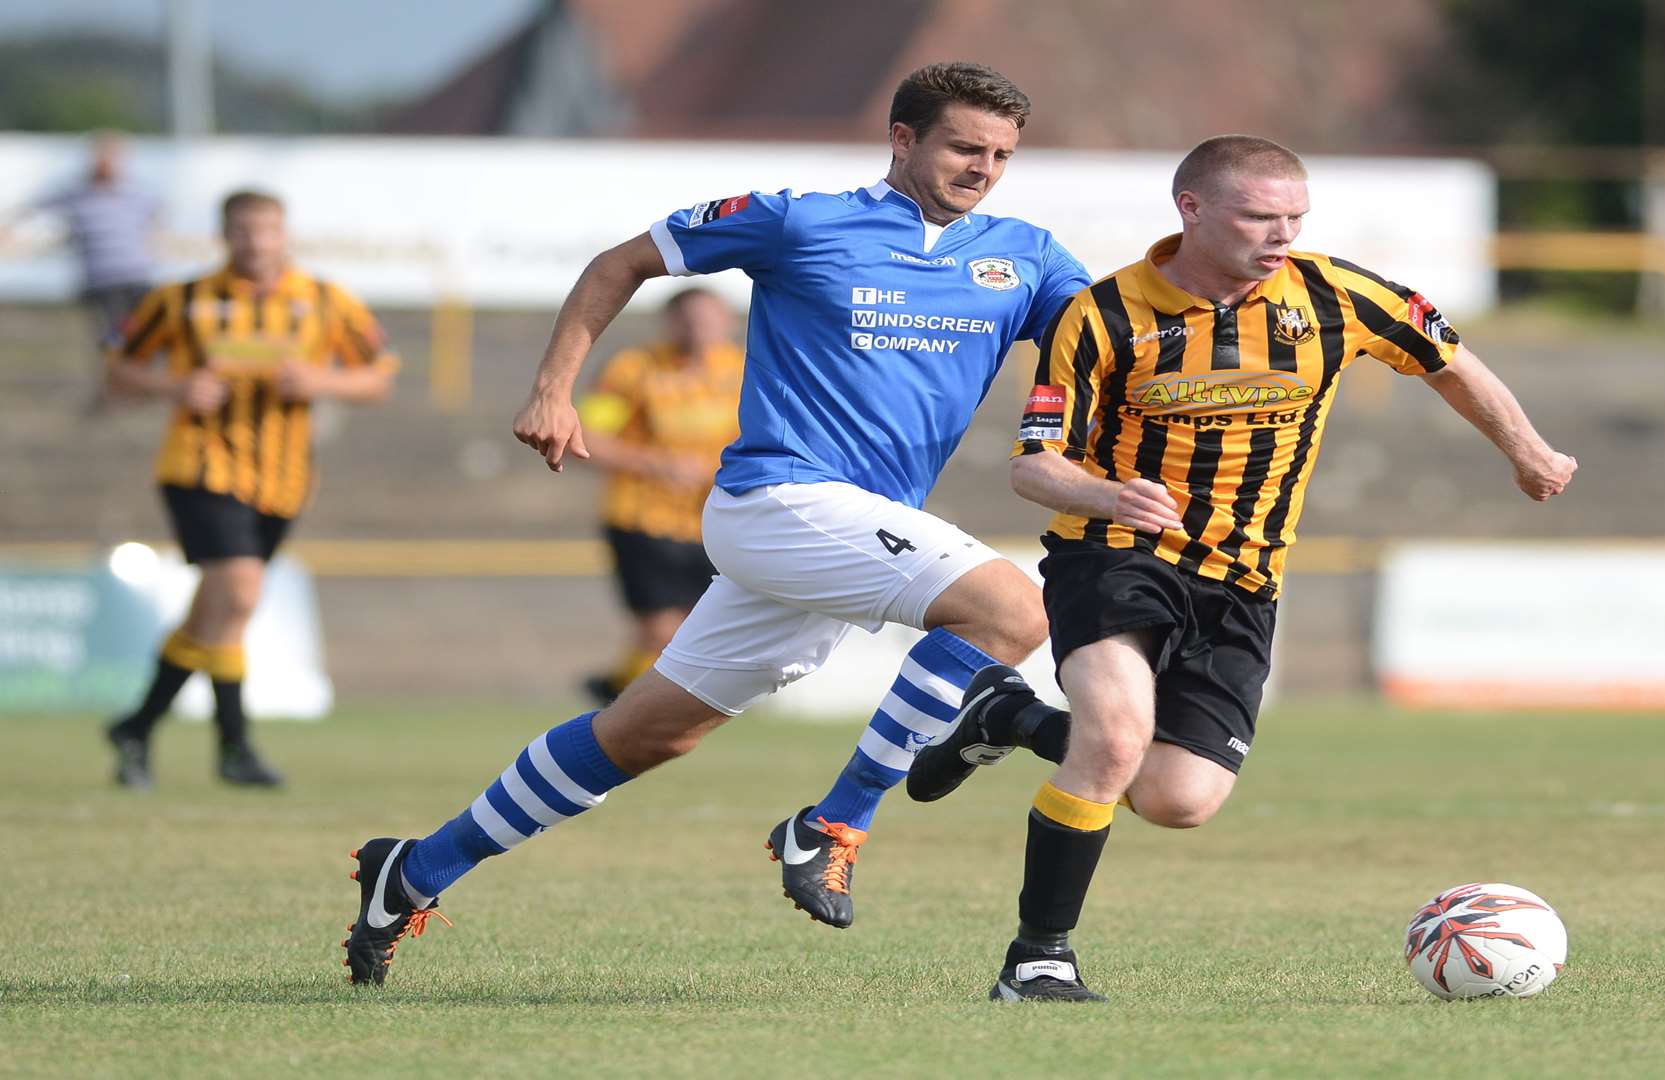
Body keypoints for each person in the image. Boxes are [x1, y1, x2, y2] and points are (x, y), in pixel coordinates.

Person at [337, 61, 1091, 986]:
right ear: (903, 138)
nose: (984, 168)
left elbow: (1108, 343)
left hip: (858, 527)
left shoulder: (1027, 254)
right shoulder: (798, 219)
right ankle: (835, 824)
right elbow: (622, 263)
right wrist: (552, 389)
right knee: (1010, 611)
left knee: (647, 736)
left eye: (1002, 154)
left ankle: (411, 872)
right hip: (777, 500)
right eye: (965, 146)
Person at [904, 135, 1579, 1002]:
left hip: (1246, 577)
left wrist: (1528, 451)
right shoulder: (1104, 314)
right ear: (1192, 209)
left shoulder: (1335, 293)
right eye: (1260, 216)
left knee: (1178, 799)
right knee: (1113, 739)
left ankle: (1010, 718)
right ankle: (1038, 958)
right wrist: (1110, 496)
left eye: (1295, 217)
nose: (1281, 235)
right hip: (1115, 555)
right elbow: (1035, 464)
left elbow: (1449, 361)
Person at [103, 190, 399, 790]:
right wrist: (176, 387)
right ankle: (234, 744)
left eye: (266, 230)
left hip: (283, 479)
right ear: (225, 235)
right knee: (237, 595)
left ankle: (139, 726)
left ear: (284, 234)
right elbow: (117, 363)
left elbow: (380, 374)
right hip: (201, 466)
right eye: (243, 230)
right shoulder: (181, 298)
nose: (255, 241)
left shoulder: (323, 299)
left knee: (217, 609)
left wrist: (321, 380)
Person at [577, 286, 744, 704]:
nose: (699, 328)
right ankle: (626, 709)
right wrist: (654, 463)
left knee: (696, 631)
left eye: (709, 319)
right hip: (643, 518)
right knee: (662, 630)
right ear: (669, 322)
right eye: (689, 319)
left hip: (714, 520)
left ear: (729, 322)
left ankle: (616, 689)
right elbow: (587, 438)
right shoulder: (634, 370)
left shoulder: (745, 371)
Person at [1, 133, 159, 363]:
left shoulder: (136, 193)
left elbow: (154, 222)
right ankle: (118, 380)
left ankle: (139, 378)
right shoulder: (77, 193)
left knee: (146, 332)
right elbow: (34, 207)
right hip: (102, 280)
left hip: (136, 275)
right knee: (112, 339)